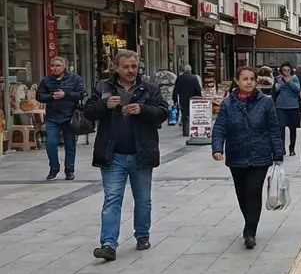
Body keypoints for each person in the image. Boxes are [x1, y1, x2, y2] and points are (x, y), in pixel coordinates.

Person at [84, 50, 170, 260]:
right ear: (116, 68)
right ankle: (108, 244)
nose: (131, 70)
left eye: (134, 66)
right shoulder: (103, 87)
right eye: (126, 67)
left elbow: (163, 112)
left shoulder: (149, 88)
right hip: (113, 154)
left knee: (143, 200)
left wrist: (143, 109)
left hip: (141, 153)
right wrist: (104, 105)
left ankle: (142, 235)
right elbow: (89, 112)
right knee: (112, 199)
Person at [212, 67, 285, 249]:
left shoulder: (265, 102)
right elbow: (220, 127)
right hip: (236, 155)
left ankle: (250, 230)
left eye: (252, 79)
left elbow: (274, 129)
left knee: (253, 192)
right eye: (245, 79)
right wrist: (217, 148)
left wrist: (278, 153)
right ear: (237, 81)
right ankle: (249, 222)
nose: (249, 82)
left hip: (260, 155)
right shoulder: (228, 104)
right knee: (242, 194)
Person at [36, 56, 86, 181]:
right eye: (52, 66)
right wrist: (51, 96)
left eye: (58, 65)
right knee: (50, 143)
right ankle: (54, 168)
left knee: (70, 145)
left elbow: (81, 94)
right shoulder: (46, 80)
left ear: (65, 66)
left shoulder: (75, 79)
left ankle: (69, 170)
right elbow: (39, 96)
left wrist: (65, 94)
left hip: (70, 117)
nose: (55, 68)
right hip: (53, 117)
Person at [274, 62, 301, 156]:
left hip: (293, 106)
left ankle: (292, 148)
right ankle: (282, 148)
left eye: (288, 70)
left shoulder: (294, 78)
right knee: (281, 128)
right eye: (284, 70)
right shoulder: (278, 78)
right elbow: (276, 89)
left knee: (292, 128)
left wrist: (289, 82)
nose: (286, 72)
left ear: (291, 70)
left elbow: (297, 89)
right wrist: (282, 82)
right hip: (280, 106)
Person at [172, 64, 203, 136]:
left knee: (185, 115)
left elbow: (175, 90)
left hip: (183, 99)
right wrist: (200, 97)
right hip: (193, 99)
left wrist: (174, 99)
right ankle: (193, 129)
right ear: (190, 70)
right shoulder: (194, 78)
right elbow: (198, 89)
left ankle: (185, 131)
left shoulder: (180, 78)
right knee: (193, 114)